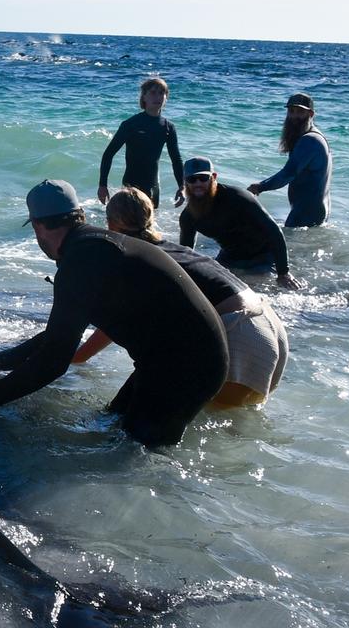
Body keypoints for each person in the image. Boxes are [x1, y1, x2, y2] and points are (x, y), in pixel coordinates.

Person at [0, 179, 228, 447]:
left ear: (38, 226)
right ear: (78, 215)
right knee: (113, 423)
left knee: (133, 453)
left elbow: (54, 361)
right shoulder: (94, 248)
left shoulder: (80, 263)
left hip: (186, 366)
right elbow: (58, 336)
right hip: (182, 359)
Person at [75, 188, 289, 407]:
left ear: (111, 224)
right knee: (231, 424)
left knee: (217, 429)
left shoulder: (137, 260)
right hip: (268, 324)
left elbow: (115, 322)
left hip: (239, 332)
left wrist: (75, 358)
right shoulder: (173, 249)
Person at [178, 156, 302, 289]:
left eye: (203, 178)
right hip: (229, 259)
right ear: (185, 182)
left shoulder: (238, 197)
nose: (197, 184)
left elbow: (274, 232)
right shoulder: (188, 217)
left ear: (213, 177)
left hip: (263, 257)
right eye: (192, 179)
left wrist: (283, 272)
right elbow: (186, 253)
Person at [97, 77, 184, 209]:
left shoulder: (168, 127)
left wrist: (182, 186)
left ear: (166, 98)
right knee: (128, 226)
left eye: (162, 93)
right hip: (131, 185)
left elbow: (176, 159)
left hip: (154, 187)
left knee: (150, 225)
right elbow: (108, 154)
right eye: (153, 92)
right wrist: (102, 185)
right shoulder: (130, 124)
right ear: (144, 97)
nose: (158, 97)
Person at [248, 93, 332, 228]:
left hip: (307, 212)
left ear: (311, 114)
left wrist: (260, 186)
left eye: (300, 112)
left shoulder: (309, 140)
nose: (294, 116)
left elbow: (287, 174)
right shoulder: (314, 136)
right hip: (314, 210)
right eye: (291, 111)